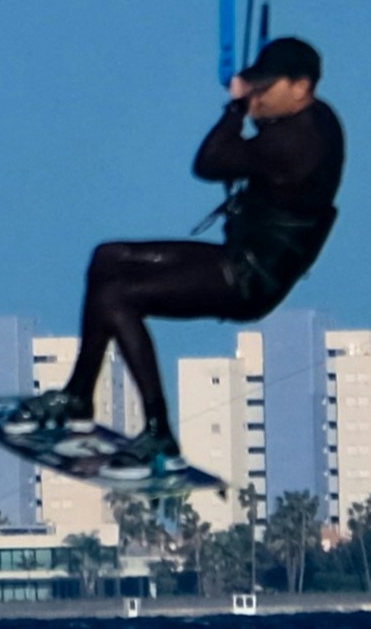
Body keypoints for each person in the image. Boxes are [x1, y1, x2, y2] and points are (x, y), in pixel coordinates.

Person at [52, 35, 343, 479]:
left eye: (266, 89)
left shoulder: (299, 143)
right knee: (107, 258)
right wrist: (255, 104)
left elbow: (208, 162)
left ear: (300, 87)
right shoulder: (311, 116)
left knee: (119, 296)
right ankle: (78, 394)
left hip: (249, 281)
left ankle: (158, 432)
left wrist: (235, 110)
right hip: (235, 257)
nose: (257, 96)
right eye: (256, 87)